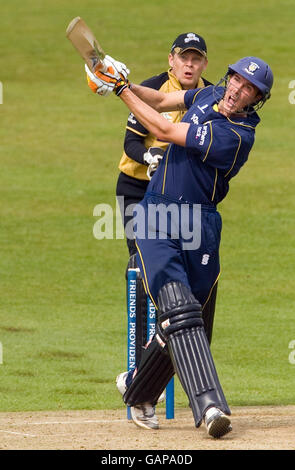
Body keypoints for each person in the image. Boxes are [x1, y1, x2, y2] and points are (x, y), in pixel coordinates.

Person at [85, 55, 273, 438]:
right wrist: (121, 81)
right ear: (229, 78)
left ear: (257, 98)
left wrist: (121, 91)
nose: (237, 91)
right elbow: (158, 103)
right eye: (236, 80)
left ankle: (137, 387)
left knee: (190, 321)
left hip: (200, 222)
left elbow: (165, 131)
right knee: (179, 305)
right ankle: (212, 407)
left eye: (248, 89)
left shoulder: (238, 136)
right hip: (157, 213)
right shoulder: (209, 94)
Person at [114, 33, 218, 393]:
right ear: (171, 60)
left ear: (204, 64)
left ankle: (164, 361)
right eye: (183, 58)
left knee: (181, 282)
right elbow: (130, 142)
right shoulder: (155, 88)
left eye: (197, 59)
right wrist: (150, 157)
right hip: (137, 190)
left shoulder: (207, 97)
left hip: (177, 198)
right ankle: (140, 369)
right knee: (144, 272)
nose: (189, 65)